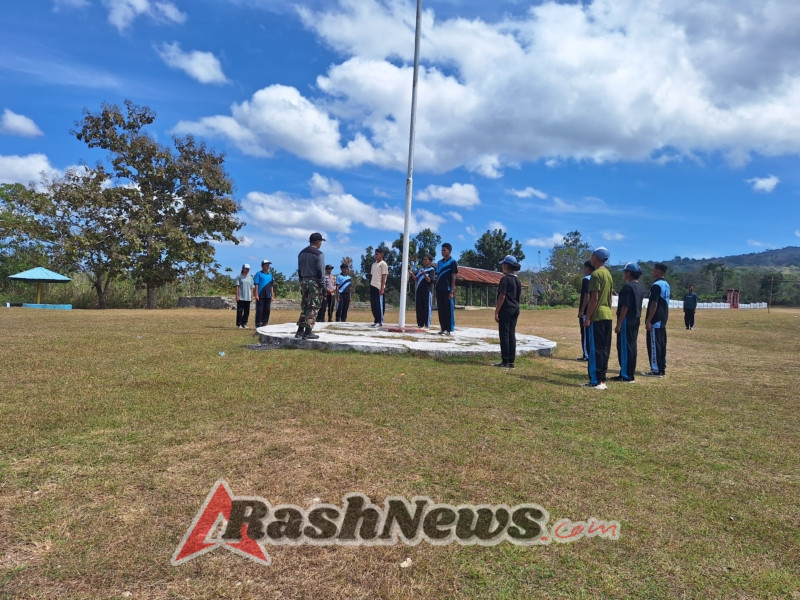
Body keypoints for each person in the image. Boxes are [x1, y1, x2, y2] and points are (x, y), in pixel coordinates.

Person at [582, 247, 613, 389]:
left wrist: (588, 317)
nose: (591, 257)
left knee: (595, 349)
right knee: (604, 349)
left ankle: (596, 380)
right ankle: (602, 379)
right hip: (607, 314)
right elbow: (610, 298)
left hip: (597, 316)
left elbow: (594, 298)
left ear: (597, 257)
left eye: (592, 255)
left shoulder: (596, 274)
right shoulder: (608, 274)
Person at [611, 262, 644, 383]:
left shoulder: (628, 287)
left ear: (629, 273)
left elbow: (625, 306)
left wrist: (619, 324)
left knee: (624, 347)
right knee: (632, 346)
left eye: (624, 272)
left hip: (626, 320)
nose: (623, 274)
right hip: (635, 320)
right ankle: (629, 372)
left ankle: (625, 375)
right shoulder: (640, 287)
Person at [296, 233, 326, 340]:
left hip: (304, 281)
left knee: (305, 306)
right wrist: (323, 286)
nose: (321, 244)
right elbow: (320, 272)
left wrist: (302, 281)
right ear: (318, 242)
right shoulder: (319, 254)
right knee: (313, 307)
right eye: (321, 242)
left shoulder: (301, 253)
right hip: (314, 282)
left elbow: (299, 270)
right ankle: (308, 331)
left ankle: (300, 331)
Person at [494, 255, 522, 369]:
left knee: (504, 334)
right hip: (515, 308)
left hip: (506, 309)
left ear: (506, 266)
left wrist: (496, 311)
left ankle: (505, 361)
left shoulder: (505, 279)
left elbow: (502, 296)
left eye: (503, 264)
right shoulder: (517, 280)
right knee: (511, 334)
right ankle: (511, 361)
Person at [644, 262, 670, 377]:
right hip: (663, 319)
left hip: (656, 319)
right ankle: (661, 367)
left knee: (654, 345)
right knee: (661, 344)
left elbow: (654, 304)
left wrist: (649, 320)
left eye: (654, 270)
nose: (652, 272)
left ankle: (656, 370)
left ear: (659, 272)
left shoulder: (656, 285)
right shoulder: (666, 284)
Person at [436, 243, 458, 335]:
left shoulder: (453, 262)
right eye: (442, 250)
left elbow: (453, 277)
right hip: (439, 289)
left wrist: (452, 291)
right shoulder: (439, 263)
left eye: (444, 250)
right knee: (441, 309)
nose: (442, 252)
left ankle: (449, 329)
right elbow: (437, 276)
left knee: (448, 309)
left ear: (449, 251)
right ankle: (442, 328)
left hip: (448, 289)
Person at [577, 260, 595, 361]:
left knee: (584, 333)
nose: (584, 270)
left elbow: (586, 295)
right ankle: (590, 353)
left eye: (584, 268)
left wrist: (582, 310)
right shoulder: (596, 278)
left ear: (588, 268)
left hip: (586, 312)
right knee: (590, 333)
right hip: (593, 311)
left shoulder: (586, 279)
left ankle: (586, 354)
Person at [410, 254, 435, 328]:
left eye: (426, 259)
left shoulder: (431, 270)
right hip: (419, 290)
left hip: (427, 290)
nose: (424, 261)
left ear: (429, 261)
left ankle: (427, 324)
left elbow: (429, 280)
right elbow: (416, 279)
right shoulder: (421, 269)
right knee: (419, 307)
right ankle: (420, 324)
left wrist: (424, 274)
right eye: (423, 259)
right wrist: (412, 274)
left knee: (426, 307)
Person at [369, 246, 388, 327]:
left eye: (377, 254)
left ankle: (380, 321)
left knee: (379, 304)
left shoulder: (383, 264)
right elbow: (373, 275)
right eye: (375, 254)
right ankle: (376, 320)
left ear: (381, 255)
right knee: (373, 304)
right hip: (373, 285)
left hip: (379, 286)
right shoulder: (373, 264)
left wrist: (382, 287)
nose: (376, 256)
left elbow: (384, 276)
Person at [253, 259, 275, 328]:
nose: (267, 266)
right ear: (262, 266)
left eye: (268, 265)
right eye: (266, 265)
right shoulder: (258, 274)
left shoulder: (270, 275)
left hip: (268, 295)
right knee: (259, 310)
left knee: (267, 310)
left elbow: (271, 286)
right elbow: (256, 284)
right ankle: (258, 324)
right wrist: (256, 294)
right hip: (260, 294)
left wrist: (272, 295)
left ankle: (264, 323)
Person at [234, 264, 256, 329]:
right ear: (243, 269)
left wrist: (252, 296)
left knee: (247, 312)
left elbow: (252, 287)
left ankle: (244, 323)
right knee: (240, 311)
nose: (247, 270)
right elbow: (237, 286)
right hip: (241, 296)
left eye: (248, 269)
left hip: (248, 297)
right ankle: (239, 324)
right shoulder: (239, 276)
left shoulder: (250, 278)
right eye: (246, 269)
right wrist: (237, 295)